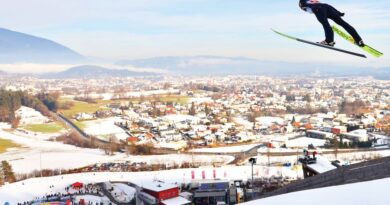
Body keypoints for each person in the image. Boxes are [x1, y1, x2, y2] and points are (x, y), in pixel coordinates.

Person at [299, 0, 365, 47]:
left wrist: (313, 9)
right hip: (328, 7)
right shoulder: (314, 1)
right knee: (343, 23)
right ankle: (359, 40)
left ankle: (329, 41)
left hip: (319, 9)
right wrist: (338, 13)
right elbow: (326, 6)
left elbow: (304, 5)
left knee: (325, 24)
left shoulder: (302, 2)